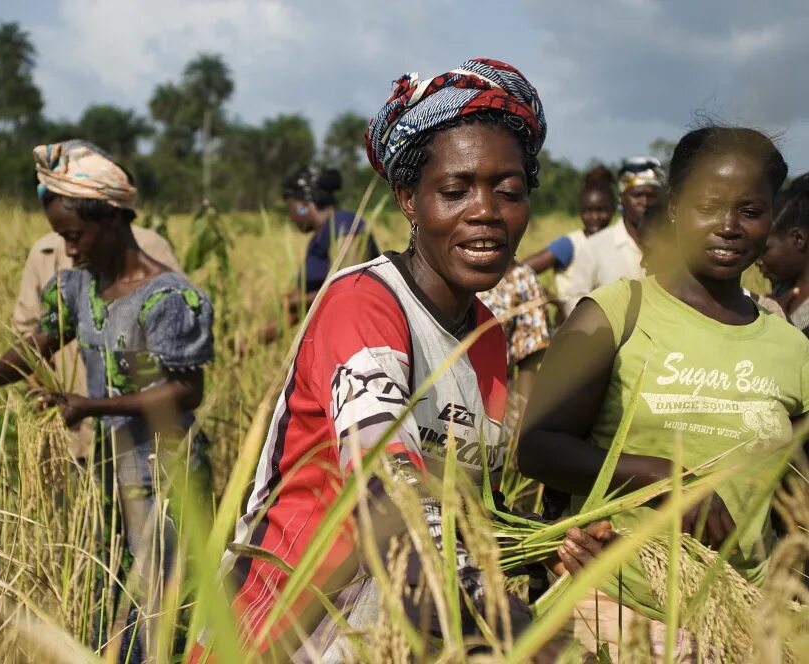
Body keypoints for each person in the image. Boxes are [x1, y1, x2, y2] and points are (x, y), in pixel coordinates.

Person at [200, 58, 609, 662]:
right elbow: (389, 497)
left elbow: (466, 507)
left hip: (403, 634)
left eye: (510, 191)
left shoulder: (488, 340)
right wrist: (513, 628)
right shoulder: (363, 303)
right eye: (455, 190)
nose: (486, 211)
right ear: (408, 200)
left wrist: (550, 546)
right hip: (285, 632)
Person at [519, 126, 809, 659]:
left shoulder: (792, 350)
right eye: (709, 206)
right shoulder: (612, 313)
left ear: (771, 219)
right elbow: (537, 446)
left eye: (750, 211)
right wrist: (659, 476)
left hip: (740, 623)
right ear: (674, 208)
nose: (727, 226)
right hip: (612, 613)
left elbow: (795, 502)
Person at [0, 140, 214, 661]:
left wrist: (90, 406)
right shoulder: (78, 289)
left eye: (75, 236)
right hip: (109, 467)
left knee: (157, 608)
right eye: (62, 238)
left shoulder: (167, 297)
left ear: (113, 221)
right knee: (109, 597)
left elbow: (189, 390)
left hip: (167, 475)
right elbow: (36, 347)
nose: (69, 250)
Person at [13, 198, 182, 460]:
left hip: (140, 436)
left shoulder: (149, 247)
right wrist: (43, 392)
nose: (72, 250)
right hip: (70, 431)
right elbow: (27, 334)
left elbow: (175, 334)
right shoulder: (44, 252)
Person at [259, 167, 380, 342]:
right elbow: (298, 307)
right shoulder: (319, 238)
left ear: (304, 205)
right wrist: (247, 345)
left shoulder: (343, 225)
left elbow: (350, 288)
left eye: (290, 206)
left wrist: (299, 301)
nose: (291, 216)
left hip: (358, 337)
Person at [559, 156, 664, 315]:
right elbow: (574, 300)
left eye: (651, 195)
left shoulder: (672, 246)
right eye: (637, 195)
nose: (644, 201)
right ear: (622, 198)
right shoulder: (595, 247)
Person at [523, 166, 617, 317]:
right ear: (580, 211)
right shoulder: (570, 244)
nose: (595, 217)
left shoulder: (619, 242)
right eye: (588, 211)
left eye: (601, 210)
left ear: (613, 210)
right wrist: (556, 301)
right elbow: (522, 271)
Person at [476, 260, 551, 422]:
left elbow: (529, 359)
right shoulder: (438, 266)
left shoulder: (521, 277)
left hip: (493, 407)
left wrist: (525, 432)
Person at [757, 173, 809, 335]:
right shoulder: (781, 291)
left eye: (764, 250)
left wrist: (780, 327)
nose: (756, 261)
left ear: (798, 239)